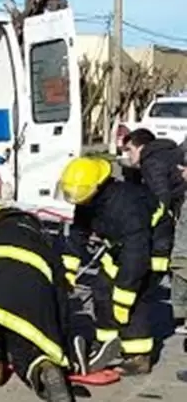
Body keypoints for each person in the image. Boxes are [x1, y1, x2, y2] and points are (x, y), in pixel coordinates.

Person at [0, 205, 92, 402]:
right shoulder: (45, 245)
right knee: (23, 345)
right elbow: (60, 299)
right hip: (28, 295)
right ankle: (42, 366)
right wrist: (60, 342)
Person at [57, 156, 173, 375]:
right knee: (102, 288)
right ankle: (108, 343)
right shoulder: (89, 201)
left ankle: (138, 356)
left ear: (98, 186)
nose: (77, 201)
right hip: (121, 247)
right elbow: (78, 234)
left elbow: (136, 254)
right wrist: (66, 272)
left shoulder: (126, 205)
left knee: (131, 299)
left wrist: (123, 295)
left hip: (151, 250)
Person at [123, 127, 187, 332]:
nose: (128, 155)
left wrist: (147, 224)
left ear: (141, 147)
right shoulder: (166, 153)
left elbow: (161, 198)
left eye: (129, 150)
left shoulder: (151, 163)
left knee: (180, 261)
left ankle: (182, 314)